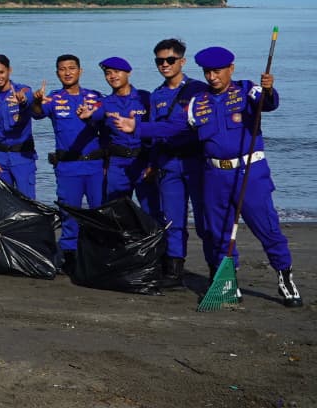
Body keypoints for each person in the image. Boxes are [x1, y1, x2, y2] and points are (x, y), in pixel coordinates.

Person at [118, 46, 301, 307]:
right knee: (218, 233)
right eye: (207, 72)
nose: (212, 77)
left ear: (231, 69)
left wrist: (269, 90)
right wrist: (137, 127)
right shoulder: (198, 102)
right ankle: (229, 284)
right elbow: (172, 127)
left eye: (217, 71)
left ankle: (285, 278)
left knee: (267, 229)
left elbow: (269, 104)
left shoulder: (247, 90)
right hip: (214, 175)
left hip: (249, 174)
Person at [124, 38, 209, 282]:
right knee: (173, 219)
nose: (164, 64)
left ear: (182, 61)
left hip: (195, 163)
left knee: (205, 220)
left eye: (170, 60)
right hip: (168, 164)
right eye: (160, 61)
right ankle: (174, 269)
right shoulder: (157, 95)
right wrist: (151, 163)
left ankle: (215, 268)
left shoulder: (198, 90)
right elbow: (156, 136)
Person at [30, 54, 105, 270]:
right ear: (57, 73)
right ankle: (69, 256)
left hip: (94, 167)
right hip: (68, 167)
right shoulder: (52, 99)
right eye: (62, 69)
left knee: (97, 213)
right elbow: (37, 114)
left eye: (72, 68)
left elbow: (105, 115)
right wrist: (35, 102)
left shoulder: (94, 96)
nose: (67, 72)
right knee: (69, 214)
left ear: (80, 71)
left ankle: (97, 253)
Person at [82, 57, 151, 204]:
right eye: (108, 73)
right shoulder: (105, 103)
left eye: (117, 72)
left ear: (129, 73)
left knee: (151, 209)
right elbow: (96, 115)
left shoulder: (145, 97)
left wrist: (154, 164)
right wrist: (87, 116)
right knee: (116, 210)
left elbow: (157, 131)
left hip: (143, 161)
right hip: (118, 164)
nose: (112, 76)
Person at [0, 54, 40, 198]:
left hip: (23, 157)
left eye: (1, 72)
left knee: (27, 203)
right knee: (3, 203)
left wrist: (23, 102)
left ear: (9, 70)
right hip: (0, 159)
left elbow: (30, 104)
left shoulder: (23, 90)